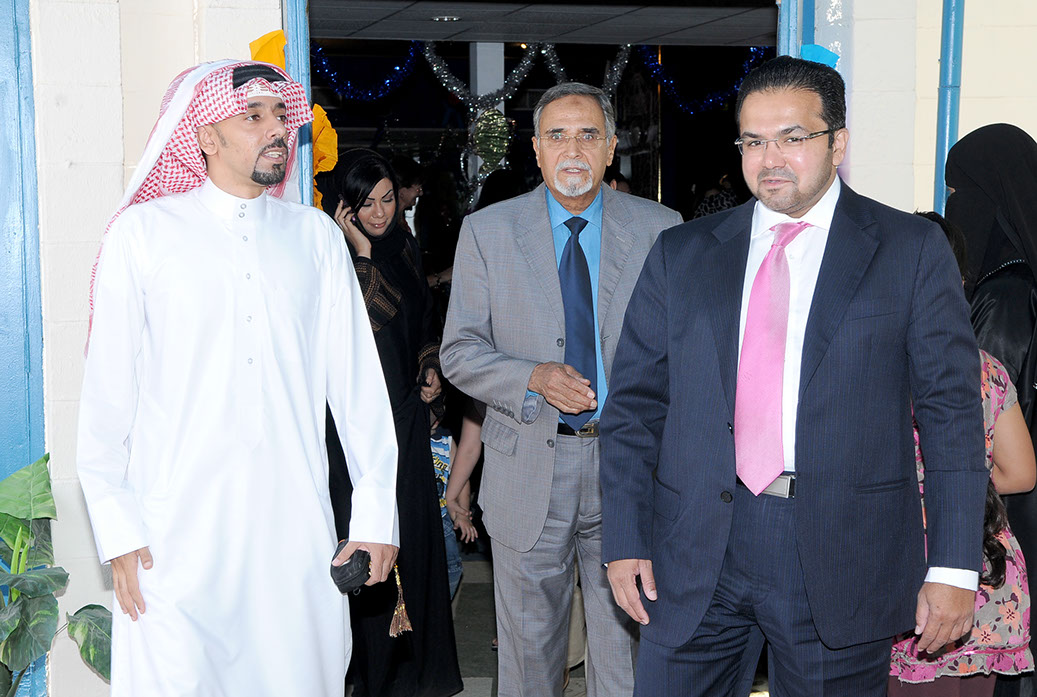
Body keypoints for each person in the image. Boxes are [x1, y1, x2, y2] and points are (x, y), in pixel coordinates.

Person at [600, 56, 988, 697]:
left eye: (792, 137)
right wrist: (624, 537)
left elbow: (952, 414)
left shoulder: (908, 250)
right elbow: (635, 408)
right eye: (753, 141)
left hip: (842, 553)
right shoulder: (683, 253)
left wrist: (953, 567)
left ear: (838, 142)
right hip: (692, 548)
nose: (770, 158)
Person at [76, 60, 399, 697]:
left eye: (280, 115)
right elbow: (107, 402)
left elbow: (360, 394)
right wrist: (117, 531)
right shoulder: (143, 235)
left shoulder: (315, 237)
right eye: (252, 117)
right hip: (173, 539)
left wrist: (373, 521)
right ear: (205, 136)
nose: (275, 129)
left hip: (293, 535)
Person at [441, 81, 683, 697]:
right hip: (527, 468)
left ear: (611, 148)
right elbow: (459, 353)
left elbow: (684, 354)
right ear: (536, 148)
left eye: (587, 135)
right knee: (529, 664)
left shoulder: (661, 229)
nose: (572, 150)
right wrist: (533, 377)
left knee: (628, 658)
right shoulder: (488, 231)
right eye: (557, 136)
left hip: (631, 469)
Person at [322, 149, 463, 697]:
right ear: (345, 208)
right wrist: (359, 254)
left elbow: (422, 320)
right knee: (368, 543)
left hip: (404, 419)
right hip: (355, 433)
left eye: (387, 200)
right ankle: (372, 678)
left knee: (416, 542)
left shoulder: (403, 246)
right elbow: (358, 331)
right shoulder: (331, 257)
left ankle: (418, 675)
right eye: (367, 204)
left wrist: (430, 369)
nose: (380, 213)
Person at [888, 212, 1035, 696]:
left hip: (910, 570)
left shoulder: (879, 366)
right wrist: (963, 481)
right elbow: (1021, 473)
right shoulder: (984, 368)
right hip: (985, 567)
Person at [944, 126, 1037, 697]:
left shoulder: (1001, 296)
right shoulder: (1020, 284)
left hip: (1003, 518)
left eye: (959, 193)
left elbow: (973, 420)